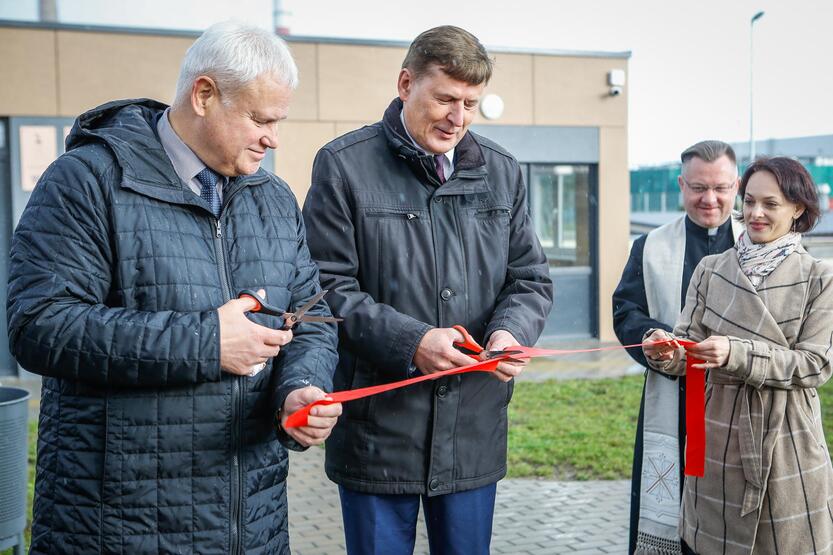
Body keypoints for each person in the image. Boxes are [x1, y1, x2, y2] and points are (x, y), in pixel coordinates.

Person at [6, 21, 341, 555]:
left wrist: (298, 389)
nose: (272, 137)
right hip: (118, 526)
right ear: (204, 95)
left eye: (278, 121)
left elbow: (310, 319)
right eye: (259, 118)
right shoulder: (86, 180)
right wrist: (208, 341)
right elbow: (40, 326)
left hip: (250, 525)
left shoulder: (274, 199)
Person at [302, 25, 553, 555]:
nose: (457, 119)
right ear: (405, 83)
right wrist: (410, 341)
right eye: (444, 99)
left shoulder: (502, 172)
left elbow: (529, 278)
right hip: (379, 434)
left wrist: (511, 332)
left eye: (470, 104)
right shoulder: (343, 165)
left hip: (473, 427)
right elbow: (323, 290)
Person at [643, 156, 833, 554]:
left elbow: (815, 364)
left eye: (770, 203)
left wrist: (737, 352)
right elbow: (688, 351)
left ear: (798, 208)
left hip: (786, 442)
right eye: (749, 202)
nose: (755, 213)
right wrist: (664, 350)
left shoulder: (820, 276)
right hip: (718, 437)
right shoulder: (711, 270)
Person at [612, 140, 741, 554]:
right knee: (675, 514)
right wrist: (650, 337)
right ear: (682, 185)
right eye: (699, 187)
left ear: (736, 186)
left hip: (737, 402)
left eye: (720, 187)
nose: (710, 199)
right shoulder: (650, 247)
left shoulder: (759, 247)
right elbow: (626, 310)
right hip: (674, 399)